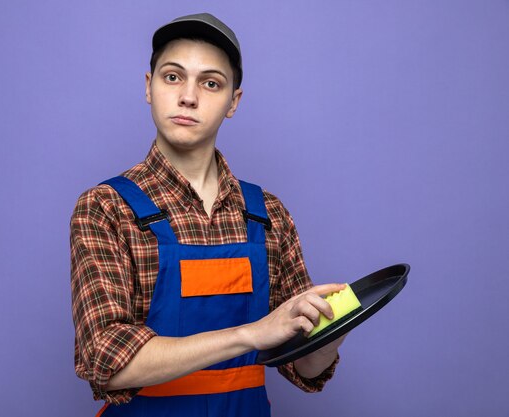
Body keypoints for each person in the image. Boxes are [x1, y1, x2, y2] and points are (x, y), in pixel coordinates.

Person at [70, 13, 346, 417]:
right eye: (172, 77)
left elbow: (304, 366)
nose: (188, 97)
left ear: (233, 101)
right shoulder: (107, 207)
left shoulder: (267, 214)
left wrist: (334, 327)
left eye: (211, 83)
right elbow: (106, 360)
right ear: (149, 88)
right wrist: (251, 334)